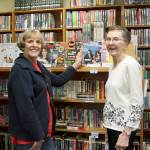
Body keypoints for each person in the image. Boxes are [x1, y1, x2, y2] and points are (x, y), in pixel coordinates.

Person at [8, 29, 82, 150]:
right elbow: (25, 108)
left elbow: (57, 81)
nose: (34, 45)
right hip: (30, 138)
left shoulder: (38, 66)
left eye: (38, 42)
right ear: (23, 45)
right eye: (30, 41)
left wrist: (75, 66)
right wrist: (38, 138)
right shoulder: (20, 70)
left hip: (43, 134)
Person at [103, 25, 143, 150]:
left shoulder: (130, 65)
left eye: (115, 39)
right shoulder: (113, 65)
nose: (111, 43)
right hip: (112, 127)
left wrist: (126, 133)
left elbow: (138, 102)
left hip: (123, 130)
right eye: (108, 39)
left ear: (126, 43)